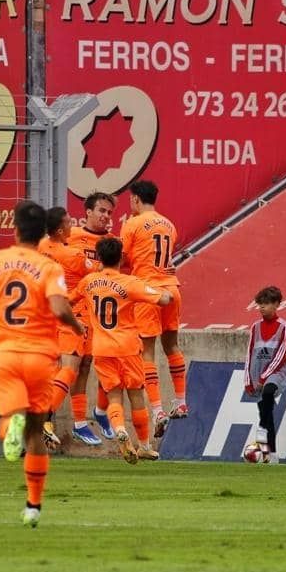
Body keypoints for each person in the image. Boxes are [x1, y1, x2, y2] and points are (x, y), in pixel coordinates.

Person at [0, 200, 85, 527]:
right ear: (43, 234)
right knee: (36, 431)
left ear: (14, 230)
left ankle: (9, 427)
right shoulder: (49, 266)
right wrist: (76, 325)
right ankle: (33, 506)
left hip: (4, 355)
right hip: (40, 357)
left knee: (9, 417)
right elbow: (58, 308)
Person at [72, 237, 171, 463]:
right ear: (121, 257)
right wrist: (166, 290)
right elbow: (164, 299)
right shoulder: (129, 283)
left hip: (102, 348)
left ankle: (119, 430)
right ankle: (144, 446)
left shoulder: (89, 282)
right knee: (136, 395)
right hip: (127, 347)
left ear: (98, 258)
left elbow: (68, 300)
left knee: (114, 394)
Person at [120, 180, 189, 438]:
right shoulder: (169, 224)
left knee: (147, 353)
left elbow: (123, 257)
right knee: (172, 346)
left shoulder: (133, 224)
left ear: (136, 199)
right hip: (172, 289)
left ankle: (158, 410)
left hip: (148, 291)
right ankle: (181, 401)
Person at [37, 205, 101, 448]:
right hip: (71, 314)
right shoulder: (72, 256)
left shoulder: (42, 246)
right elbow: (102, 270)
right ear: (60, 229)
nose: (72, 223)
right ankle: (43, 416)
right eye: (68, 221)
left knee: (55, 370)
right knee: (71, 369)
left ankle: (57, 422)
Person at [62, 192, 119, 442]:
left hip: (97, 314)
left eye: (109, 212)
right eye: (101, 211)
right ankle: (59, 421)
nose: (105, 216)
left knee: (91, 366)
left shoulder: (111, 242)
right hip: (71, 311)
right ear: (87, 212)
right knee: (70, 368)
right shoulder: (70, 237)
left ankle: (91, 416)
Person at [243, 286, 286, 464]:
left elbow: (282, 355)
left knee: (268, 393)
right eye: (259, 304)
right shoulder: (255, 327)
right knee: (265, 411)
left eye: (265, 304)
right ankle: (269, 453)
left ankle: (262, 440)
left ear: (276, 304)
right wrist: (249, 379)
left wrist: (265, 377)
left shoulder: (284, 327)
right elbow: (249, 353)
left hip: (277, 372)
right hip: (258, 372)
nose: (261, 308)